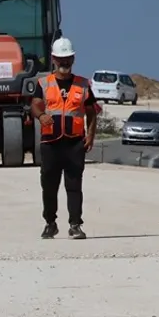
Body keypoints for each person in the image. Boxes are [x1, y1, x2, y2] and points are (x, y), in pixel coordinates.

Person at [31, 37, 97, 240]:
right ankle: (50, 223)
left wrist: (91, 134)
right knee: (49, 185)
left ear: (73, 59)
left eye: (68, 59)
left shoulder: (83, 84)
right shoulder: (43, 83)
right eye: (61, 59)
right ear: (53, 59)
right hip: (50, 143)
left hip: (74, 144)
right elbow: (34, 104)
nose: (64, 63)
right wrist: (41, 116)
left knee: (74, 185)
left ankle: (75, 225)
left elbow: (91, 112)